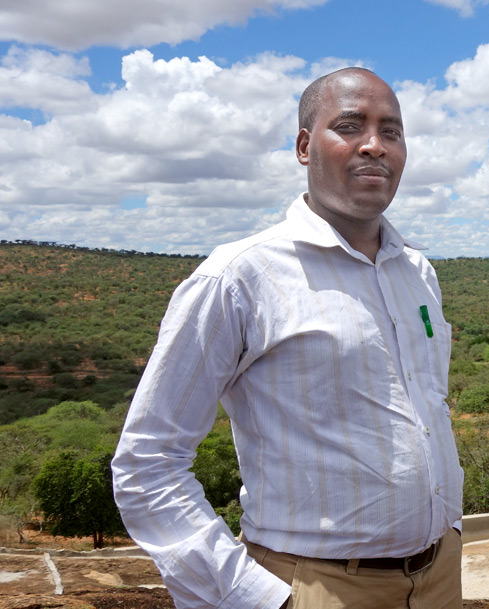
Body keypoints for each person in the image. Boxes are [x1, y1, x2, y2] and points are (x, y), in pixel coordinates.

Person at [111, 68, 463, 609]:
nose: (375, 145)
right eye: (351, 126)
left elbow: (427, 411)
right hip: (315, 586)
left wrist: (451, 532)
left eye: (391, 131)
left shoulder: (416, 271)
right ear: (304, 146)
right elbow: (148, 463)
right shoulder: (238, 276)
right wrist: (252, 598)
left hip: (440, 576)